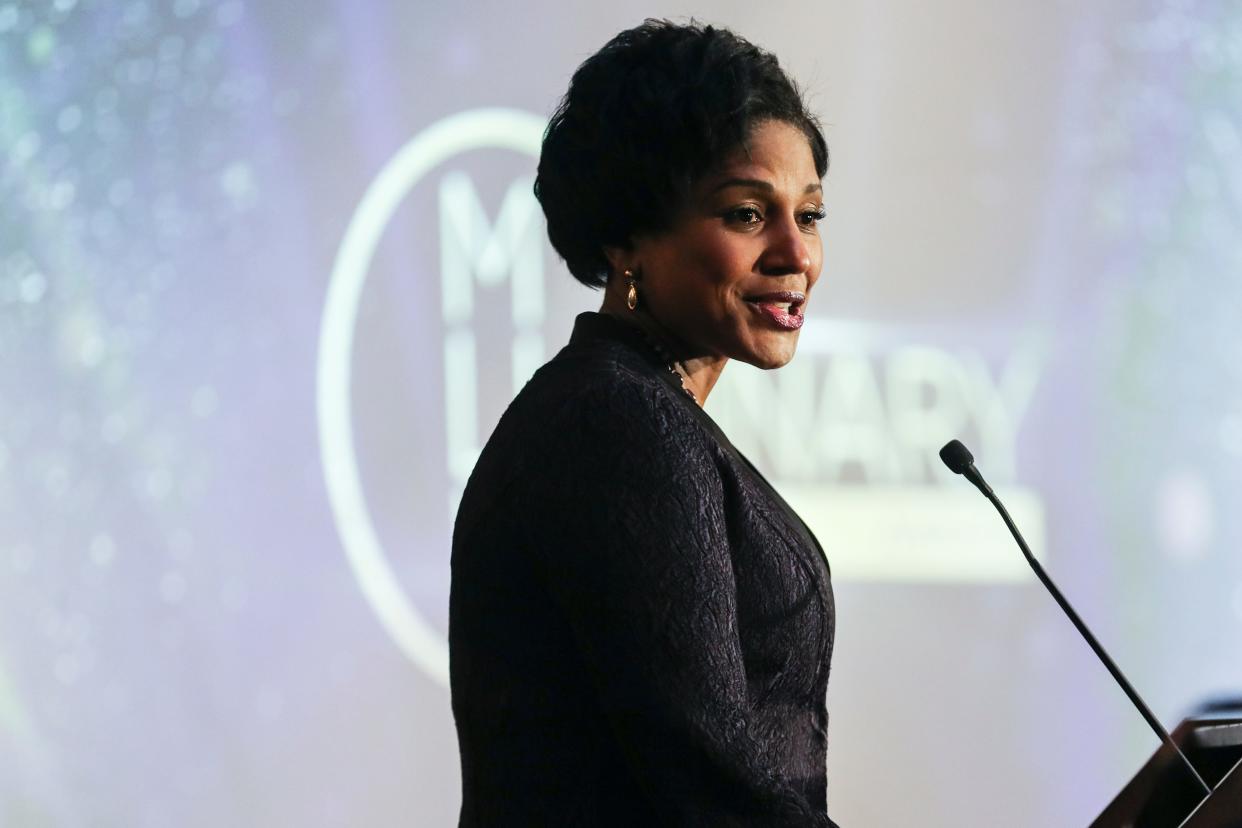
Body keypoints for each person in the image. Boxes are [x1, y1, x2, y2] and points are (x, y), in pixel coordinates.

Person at [449, 19, 838, 827]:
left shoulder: (634, 411)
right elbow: (708, 781)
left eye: (809, 215)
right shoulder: (617, 426)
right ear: (629, 236)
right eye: (745, 214)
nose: (794, 253)